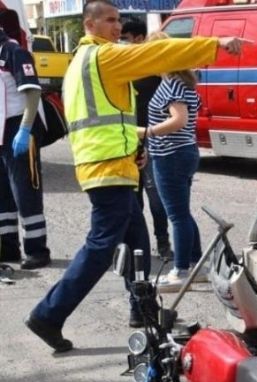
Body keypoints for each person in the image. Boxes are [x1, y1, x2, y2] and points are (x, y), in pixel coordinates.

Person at [24, 0, 245, 352]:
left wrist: (133, 148)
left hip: (112, 162)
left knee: (138, 241)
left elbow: (110, 118)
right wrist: (215, 44)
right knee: (101, 246)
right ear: (90, 24)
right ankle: (48, 315)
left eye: (118, 20)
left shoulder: (83, 60)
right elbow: (156, 54)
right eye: (109, 20)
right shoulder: (104, 56)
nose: (117, 26)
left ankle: (143, 309)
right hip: (107, 165)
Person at [140, 31, 206, 293]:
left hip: (172, 155)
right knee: (182, 213)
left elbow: (179, 119)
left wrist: (146, 132)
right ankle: (196, 265)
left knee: (177, 215)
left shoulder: (173, 84)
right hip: (180, 153)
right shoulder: (180, 82)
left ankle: (181, 270)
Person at [0, 24, 51, 270]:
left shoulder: (14, 52)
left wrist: (25, 129)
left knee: (24, 190)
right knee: (3, 193)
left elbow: (32, 92)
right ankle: (8, 246)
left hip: (19, 126)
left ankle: (37, 249)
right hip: (1, 129)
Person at [121, 19, 172, 260]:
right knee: (132, 197)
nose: (122, 43)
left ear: (139, 39)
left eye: (126, 39)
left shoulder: (156, 70)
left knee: (156, 197)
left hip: (152, 138)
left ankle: (163, 242)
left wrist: (155, 138)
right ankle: (135, 244)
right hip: (128, 138)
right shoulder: (123, 68)